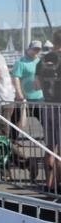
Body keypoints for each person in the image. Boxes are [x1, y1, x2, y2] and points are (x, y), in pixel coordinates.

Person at [36, 29, 61, 193]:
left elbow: (36, 84)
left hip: (47, 105)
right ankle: (59, 185)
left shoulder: (42, 60)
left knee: (50, 146)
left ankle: (49, 184)